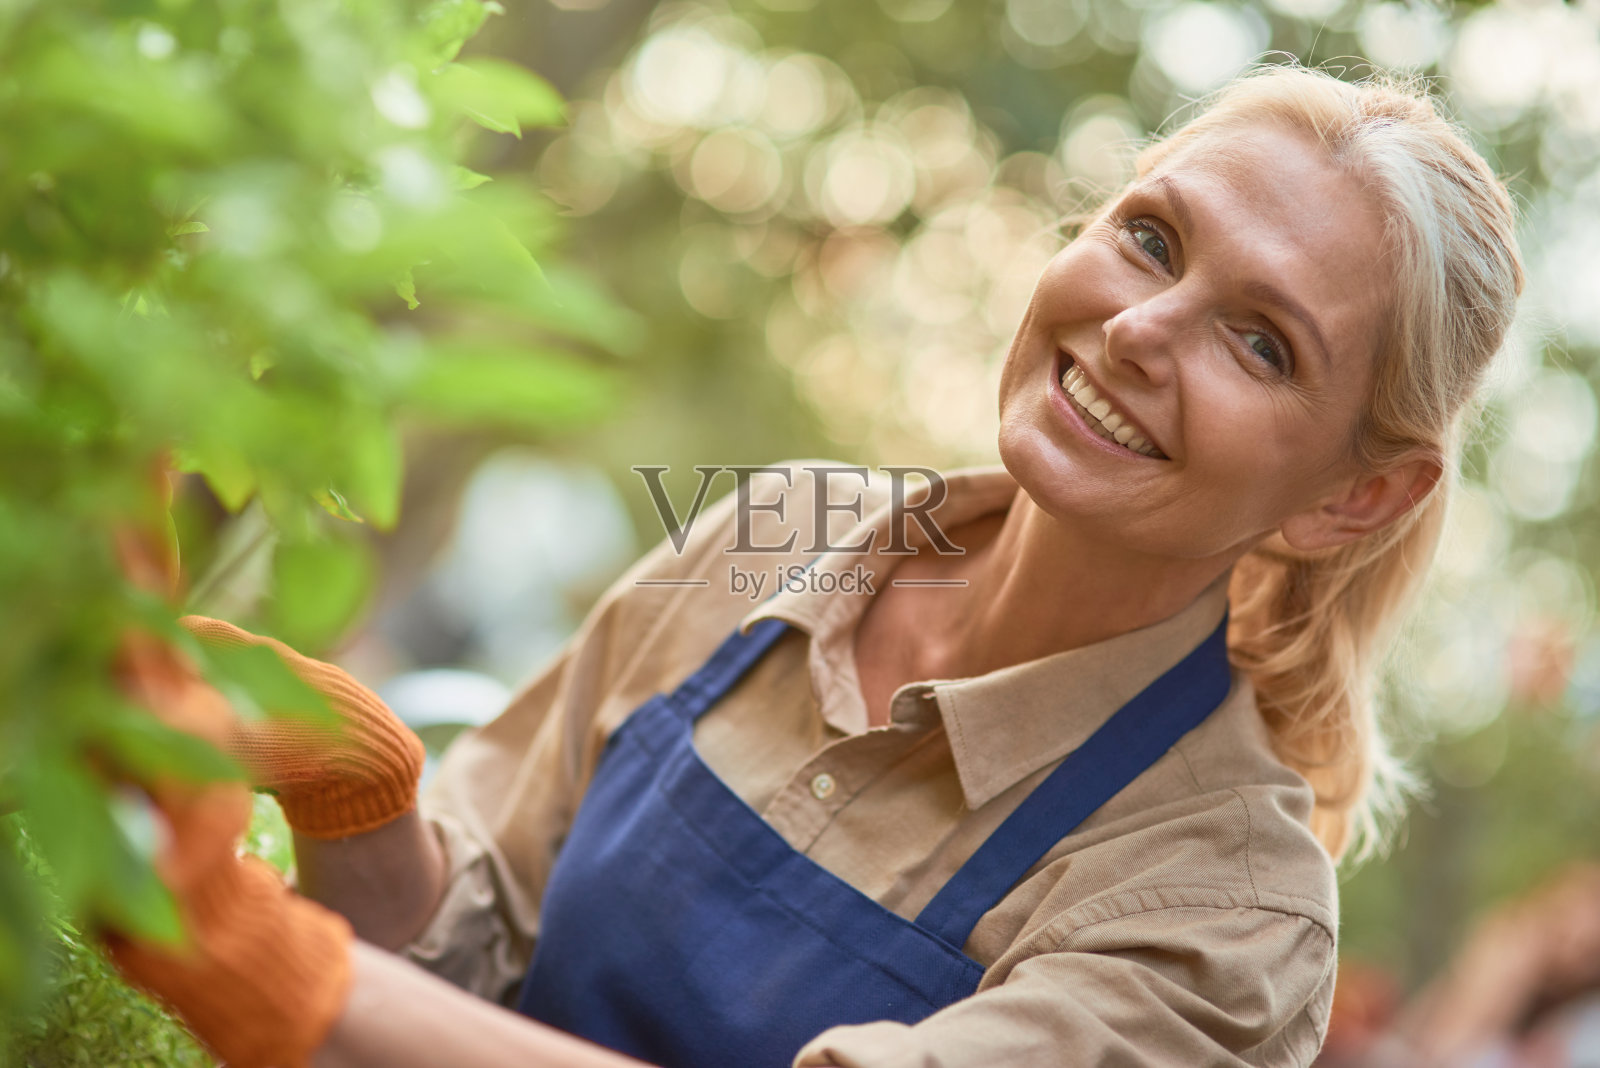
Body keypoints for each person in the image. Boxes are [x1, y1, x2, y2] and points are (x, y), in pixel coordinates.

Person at [106, 62, 1524, 1068]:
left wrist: (281, 978)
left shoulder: (1223, 908)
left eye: (1262, 341)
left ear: (1353, 498)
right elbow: (477, 952)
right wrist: (363, 802)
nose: (1146, 329)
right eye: (1150, 240)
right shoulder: (777, 530)